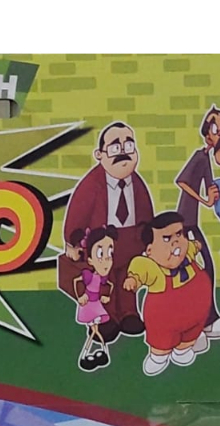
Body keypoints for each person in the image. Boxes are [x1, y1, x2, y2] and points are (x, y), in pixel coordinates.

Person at [60, 122, 155, 341]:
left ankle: (129, 313)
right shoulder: (92, 184)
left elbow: (145, 210)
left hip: (132, 241)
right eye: (115, 148)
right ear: (100, 154)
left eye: (128, 146)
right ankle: (106, 318)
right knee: (105, 280)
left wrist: (149, 237)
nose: (123, 153)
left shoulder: (137, 183)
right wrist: (72, 241)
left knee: (127, 278)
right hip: (103, 244)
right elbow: (78, 211)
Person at [123, 213, 213, 376]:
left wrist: (197, 245)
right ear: (150, 250)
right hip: (165, 321)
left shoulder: (187, 253)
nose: (176, 242)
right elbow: (139, 269)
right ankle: (159, 356)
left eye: (179, 234)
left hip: (195, 315)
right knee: (161, 339)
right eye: (166, 238)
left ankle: (183, 349)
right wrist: (133, 280)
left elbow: (192, 246)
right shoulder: (153, 268)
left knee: (192, 333)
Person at [175, 106, 220, 338]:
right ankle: (199, 321)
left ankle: (205, 319)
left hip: (191, 224)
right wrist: (202, 199)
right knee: (197, 270)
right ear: (207, 134)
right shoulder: (199, 156)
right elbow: (182, 181)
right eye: (215, 127)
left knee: (204, 268)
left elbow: (212, 190)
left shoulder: (207, 158)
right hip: (185, 225)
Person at [71, 226, 117, 371]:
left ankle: (92, 352)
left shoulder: (102, 278)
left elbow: (110, 285)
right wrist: (80, 296)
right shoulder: (88, 275)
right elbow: (76, 281)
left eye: (110, 253)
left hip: (96, 305)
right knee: (94, 331)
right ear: (90, 260)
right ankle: (96, 351)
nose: (106, 259)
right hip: (89, 306)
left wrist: (106, 296)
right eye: (100, 254)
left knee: (95, 332)